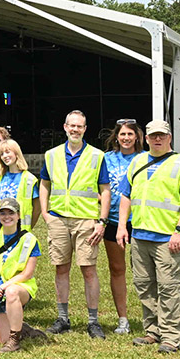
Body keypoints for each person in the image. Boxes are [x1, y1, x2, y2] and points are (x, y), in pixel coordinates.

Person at [116, 120, 180, 354]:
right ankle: (153, 331)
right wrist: (122, 226)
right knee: (144, 285)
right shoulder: (137, 161)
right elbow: (125, 194)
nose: (157, 139)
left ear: (169, 137)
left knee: (168, 287)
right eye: (153, 135)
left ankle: (172, 335)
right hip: (140, 236)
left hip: (168, 238)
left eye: (161, 136)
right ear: (146, 139)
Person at [39, 110, 112, 338]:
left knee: (88, 269)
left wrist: (101, 221)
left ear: (85, 129)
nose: (75, 130)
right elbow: (44, 184)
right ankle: (63, 318)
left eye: (79, 126)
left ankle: (93, 321)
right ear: (64, 127)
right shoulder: (51, 155)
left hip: (86, 221)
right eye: (71, 125)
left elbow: (105, 190)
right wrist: (45, 213)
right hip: (59, 219)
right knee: (61, 269)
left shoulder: (97, 155)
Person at [0, 198, 43, 353]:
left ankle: (15, 339)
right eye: (3, 213)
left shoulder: (29, 239)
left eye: (11, 213)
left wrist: (2, 287)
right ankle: (23, 329)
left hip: (19, 287)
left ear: (18, 215)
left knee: (12, 292)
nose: (7, 217)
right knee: (2, 339)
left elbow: (27, 273)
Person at [103, 119, 143, 335]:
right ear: (116, 137)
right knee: (117, 269)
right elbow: (97, 185)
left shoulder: (145, 159)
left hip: (140, 221)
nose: (126, 138)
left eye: (130, 134)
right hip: (113, 221)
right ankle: (123, 319)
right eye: (122, 134)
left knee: (144, 271)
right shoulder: (106, 159)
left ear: (137, 136)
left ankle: (152, 315)